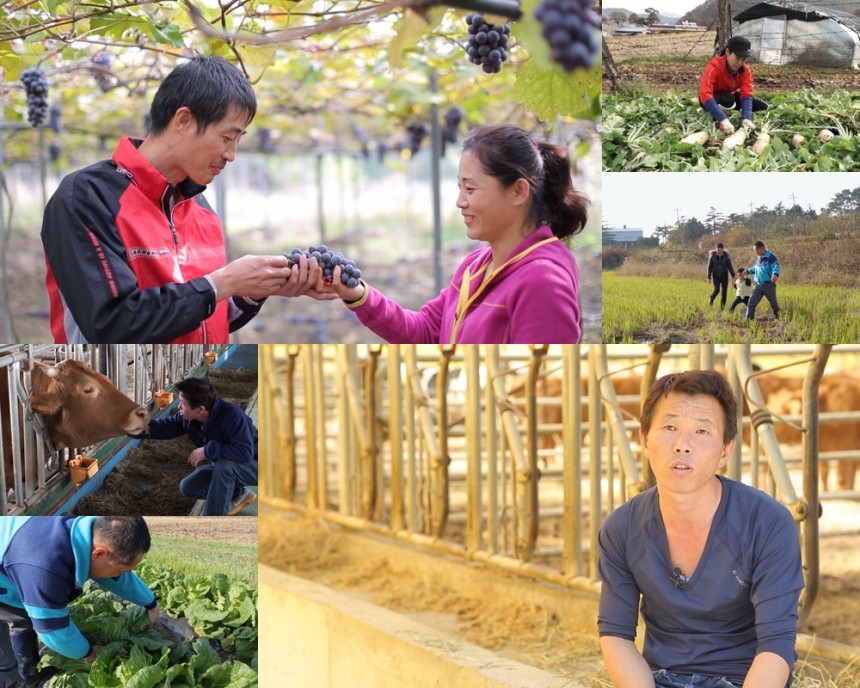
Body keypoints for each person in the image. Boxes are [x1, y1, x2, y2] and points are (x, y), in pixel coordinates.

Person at [41, 54, 327, 344]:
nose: (231, 155)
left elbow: (203, 316)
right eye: (227, 138)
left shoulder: (201, 208)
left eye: (238, 141)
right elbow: (111, 324)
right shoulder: (87, 197)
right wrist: (221, 283)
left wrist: (251, 291)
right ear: (184, 120)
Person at [597, 370, 803, 688]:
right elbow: (616, 634)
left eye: (702, 431)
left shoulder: (768, 523)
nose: (683, 445)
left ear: (725, 450)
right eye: (669, 427)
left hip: (744, 680)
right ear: (644, 440)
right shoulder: (621, 528)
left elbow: (777, 644)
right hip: (657, 679)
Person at [312, 124, 588, 343]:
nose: (460, 201)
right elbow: (426, 331)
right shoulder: (476, 266)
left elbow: (542, 394)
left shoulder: (542, 282)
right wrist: (357, 293)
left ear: (518, 191)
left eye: (470, 189)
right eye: (460, 188)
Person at [0, 516, 158, 688]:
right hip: (10, 563)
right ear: (99, 553)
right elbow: (53, 631)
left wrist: (150, 603)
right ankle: (29, 678)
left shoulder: (86, 534)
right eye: (119, 570)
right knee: (22, 620)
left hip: (16, 549)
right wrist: (87, 652)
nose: (116, 575)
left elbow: (118, 577)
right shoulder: (45, 570)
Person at [130, 377, 257, 516]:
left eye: (182, 404)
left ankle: (212, 523)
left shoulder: (232, 416)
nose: (178, 407)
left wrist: (207, 450)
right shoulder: (189, 419)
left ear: (200, 409)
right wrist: (127, 426)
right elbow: (160, 428)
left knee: (224, 467)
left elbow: (244, 453)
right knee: (189, 486)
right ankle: (238, 494)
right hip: (234, 465)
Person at [699, 36, 768, 135]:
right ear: (727, 52)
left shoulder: (745, 70)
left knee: (761, 106)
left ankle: (731, 110)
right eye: (737, 58)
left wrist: (747, 118)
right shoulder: (714, 66)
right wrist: (723, 119)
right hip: (709, 98)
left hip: (729, 94)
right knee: (728, 100)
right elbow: (705, 94)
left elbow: (746, 94)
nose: (740, 63)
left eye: (743, 59)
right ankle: (718, 113)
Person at [745, 240, 780, 320]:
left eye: (756, 250)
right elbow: (756, 268)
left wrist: (775, 274)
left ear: (762, 249)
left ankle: (777, 317)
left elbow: (776, 266)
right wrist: (748, 271)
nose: (755, 252)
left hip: (768, 285)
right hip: (758, 285)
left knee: (773, 303)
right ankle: (749, 319)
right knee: (751, 302)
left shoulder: (771, 257)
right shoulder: (759, 258)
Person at [706, 242, 736, 309]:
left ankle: (722, 307)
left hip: (724, 276)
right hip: (716, 275)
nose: (719, 251)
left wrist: (733, 276)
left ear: (723, 249)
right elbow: (709, 267)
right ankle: (711, 298)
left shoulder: (726, 256)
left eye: (720, 250)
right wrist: (708, 277)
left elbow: (730, 266)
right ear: (716, 249)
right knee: (717, 290)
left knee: (724, 292)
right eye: (718, 250)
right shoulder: (712, 256)